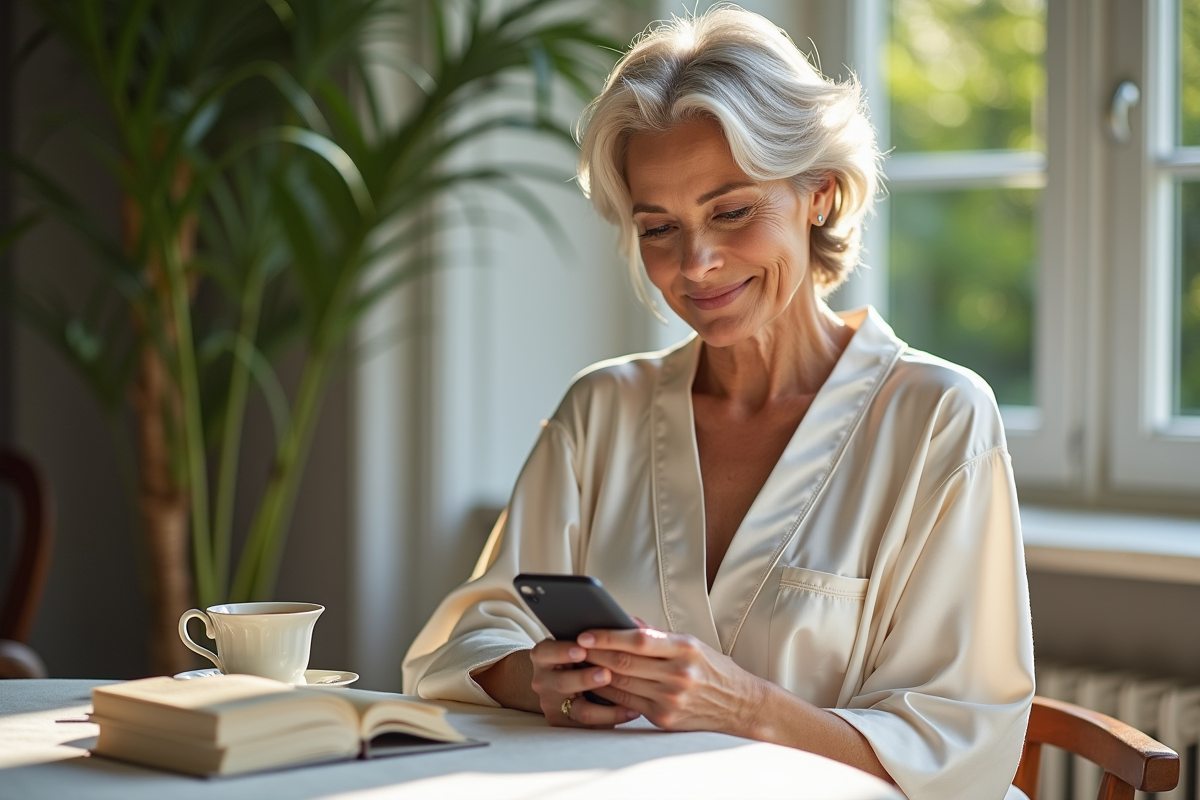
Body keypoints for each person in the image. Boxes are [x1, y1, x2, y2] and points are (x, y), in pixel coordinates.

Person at [403, 7, 1035, 799]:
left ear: (821, 196)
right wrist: (545, 679)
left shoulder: (938, 417)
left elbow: (963, 744)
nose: (695, 263)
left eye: (731, 211)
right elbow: (464, 643)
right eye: (659, 227)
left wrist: (738, 704)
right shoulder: (601, 409)